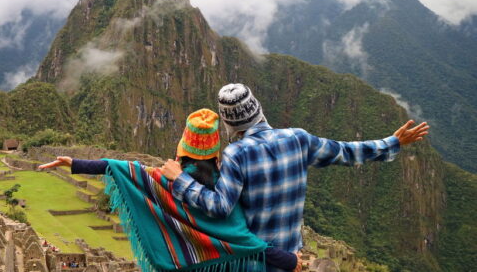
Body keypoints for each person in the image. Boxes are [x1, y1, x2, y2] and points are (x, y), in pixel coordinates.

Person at [159, 83, 429, 272]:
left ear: (228, 124)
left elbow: (219, 207)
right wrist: (392, 142)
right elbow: (347, 152)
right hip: (290, 259)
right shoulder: (298, 139)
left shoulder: (236, 154)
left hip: (255, 262)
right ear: (259, 110)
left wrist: (180, 179)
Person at [40, 109, 299, 272]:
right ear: (215, 153)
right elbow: (247, 241)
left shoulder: (164, 181)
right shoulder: (227, 187)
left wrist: (75, 162)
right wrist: (290, 261)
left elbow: (125, 168)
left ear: (182, 148)